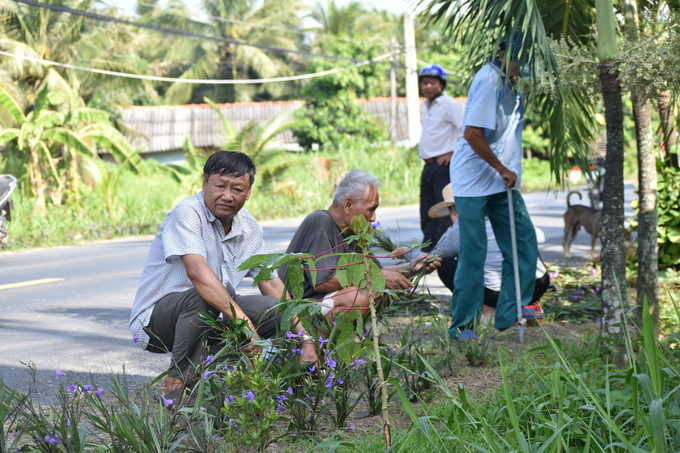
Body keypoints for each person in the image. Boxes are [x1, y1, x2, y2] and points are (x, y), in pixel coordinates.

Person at [129, 151, 315, 403]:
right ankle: (175, 394)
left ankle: (274, 389)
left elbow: (271, 283)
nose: (227, 196)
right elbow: (198, 274)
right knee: (202, 297)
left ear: (248, 192)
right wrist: (246, 327)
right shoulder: (187, 213)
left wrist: (306, 339)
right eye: (219, 186)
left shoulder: (249, 227)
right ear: (204, 182)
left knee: (276, 310)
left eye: (237, 189)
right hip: (157, 321)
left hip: (210, 316)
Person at [447, 37, 539, 338]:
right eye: (518, 61)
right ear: (503, 54)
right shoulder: (489, 80)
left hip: (502, 180)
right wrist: (501, 168)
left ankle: (507, 315)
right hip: (474, 180)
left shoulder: (514, 80)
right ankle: (462, 327)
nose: (522, 68)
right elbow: (472, 134)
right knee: (474, 253)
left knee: (524, 243)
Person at [279, 169, 442, 321]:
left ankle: (340, 347)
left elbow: (377, 272)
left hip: (322, 306)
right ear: (348, 205)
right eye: (371, 209)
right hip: (295, 314)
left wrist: (413, 266)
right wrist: (377, 278)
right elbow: (323, 282)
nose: (373, 218)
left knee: (379, 292)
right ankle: (314, 350)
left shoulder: (354, 231)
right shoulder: (320, 221)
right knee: (360, 297)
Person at [394, 184, 549, 320]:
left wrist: (407, 252)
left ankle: (488, 309)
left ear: (457, 208)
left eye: (452, 210)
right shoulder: (508, 214)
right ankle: (530, 302)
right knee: (527, 245)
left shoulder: (461, 227)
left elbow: (432, 259)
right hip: (538, 284)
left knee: (445, 265)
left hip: (498, 295)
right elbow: (539, 237)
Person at [418, 64, 464, 252]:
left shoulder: (449, 104)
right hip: (428, 165)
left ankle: (446, 250)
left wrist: (453, 152)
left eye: (432, 82)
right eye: (424, 83)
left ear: (441, 84)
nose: (427, 86)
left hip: (443, 165)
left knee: (444, 210)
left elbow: (466, 130)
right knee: (428, 210)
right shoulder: (427, 106)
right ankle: (429, 250)